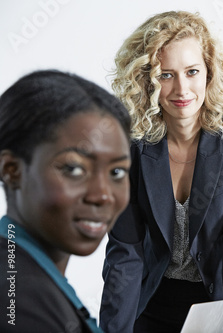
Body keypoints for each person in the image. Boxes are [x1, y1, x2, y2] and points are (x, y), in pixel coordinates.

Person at [99, 11, 223, 333]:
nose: (181, 89)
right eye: (166, 75)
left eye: (192, 71)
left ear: (209, 72)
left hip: (220, 299)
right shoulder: (129, 147)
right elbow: (125, 254)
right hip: (151, 298)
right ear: (146, 79)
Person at [0, 70, 131, 333]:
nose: (103, 195)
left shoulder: (26, 275)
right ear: (12, 170)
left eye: (117, 172)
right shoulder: (20, 304)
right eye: (74, 169)